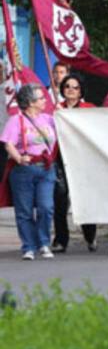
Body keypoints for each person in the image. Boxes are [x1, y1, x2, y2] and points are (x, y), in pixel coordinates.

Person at [3, 84, 58, 260]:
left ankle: (43, 242)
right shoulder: (16, 120)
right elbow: (8, 143)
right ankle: (29, 246)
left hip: (46, 168)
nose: (44, 101)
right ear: (31, 102)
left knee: (46, 207)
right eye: (41, 98)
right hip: (24, 170)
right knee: (24, 210)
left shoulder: (48, 119)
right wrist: (18, 158)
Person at [52, 75, 97, 253]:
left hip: (82, 161)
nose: (71, 90)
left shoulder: (89, 109)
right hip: (61, 160)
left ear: (81, 91)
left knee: (84, 201)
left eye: (75, 87)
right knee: (60, 202)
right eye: (67, 86)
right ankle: (61, 240)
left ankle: (90, 236)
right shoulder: (56, 109)